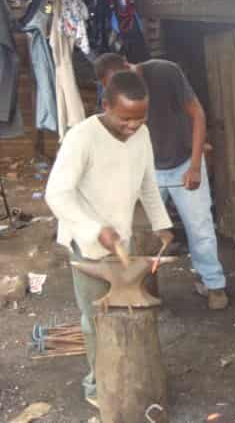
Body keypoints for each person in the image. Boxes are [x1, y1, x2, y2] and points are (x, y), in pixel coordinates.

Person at [45, 71, 174, 408]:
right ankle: (97, 385)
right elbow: (57, 194)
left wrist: (161, 222)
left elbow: (148, 183)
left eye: (140, 117)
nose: (133, 125)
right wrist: (94, 229)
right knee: (95, 319)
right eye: (125, 118)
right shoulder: (81, 137)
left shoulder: (141, 134)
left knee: (124, 313)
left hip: (122, 238)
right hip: (87, 244)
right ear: (105, 105)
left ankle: (126, 373)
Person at [93, 53, 228, 310]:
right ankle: (136, 287)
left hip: (183, 162)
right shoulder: (112, 96)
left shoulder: (166, 72)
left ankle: (214, 284)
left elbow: (197, 114)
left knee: (200, 227)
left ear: (127, 63)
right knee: (134, 230)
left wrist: (196, 166)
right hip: (147, 170)